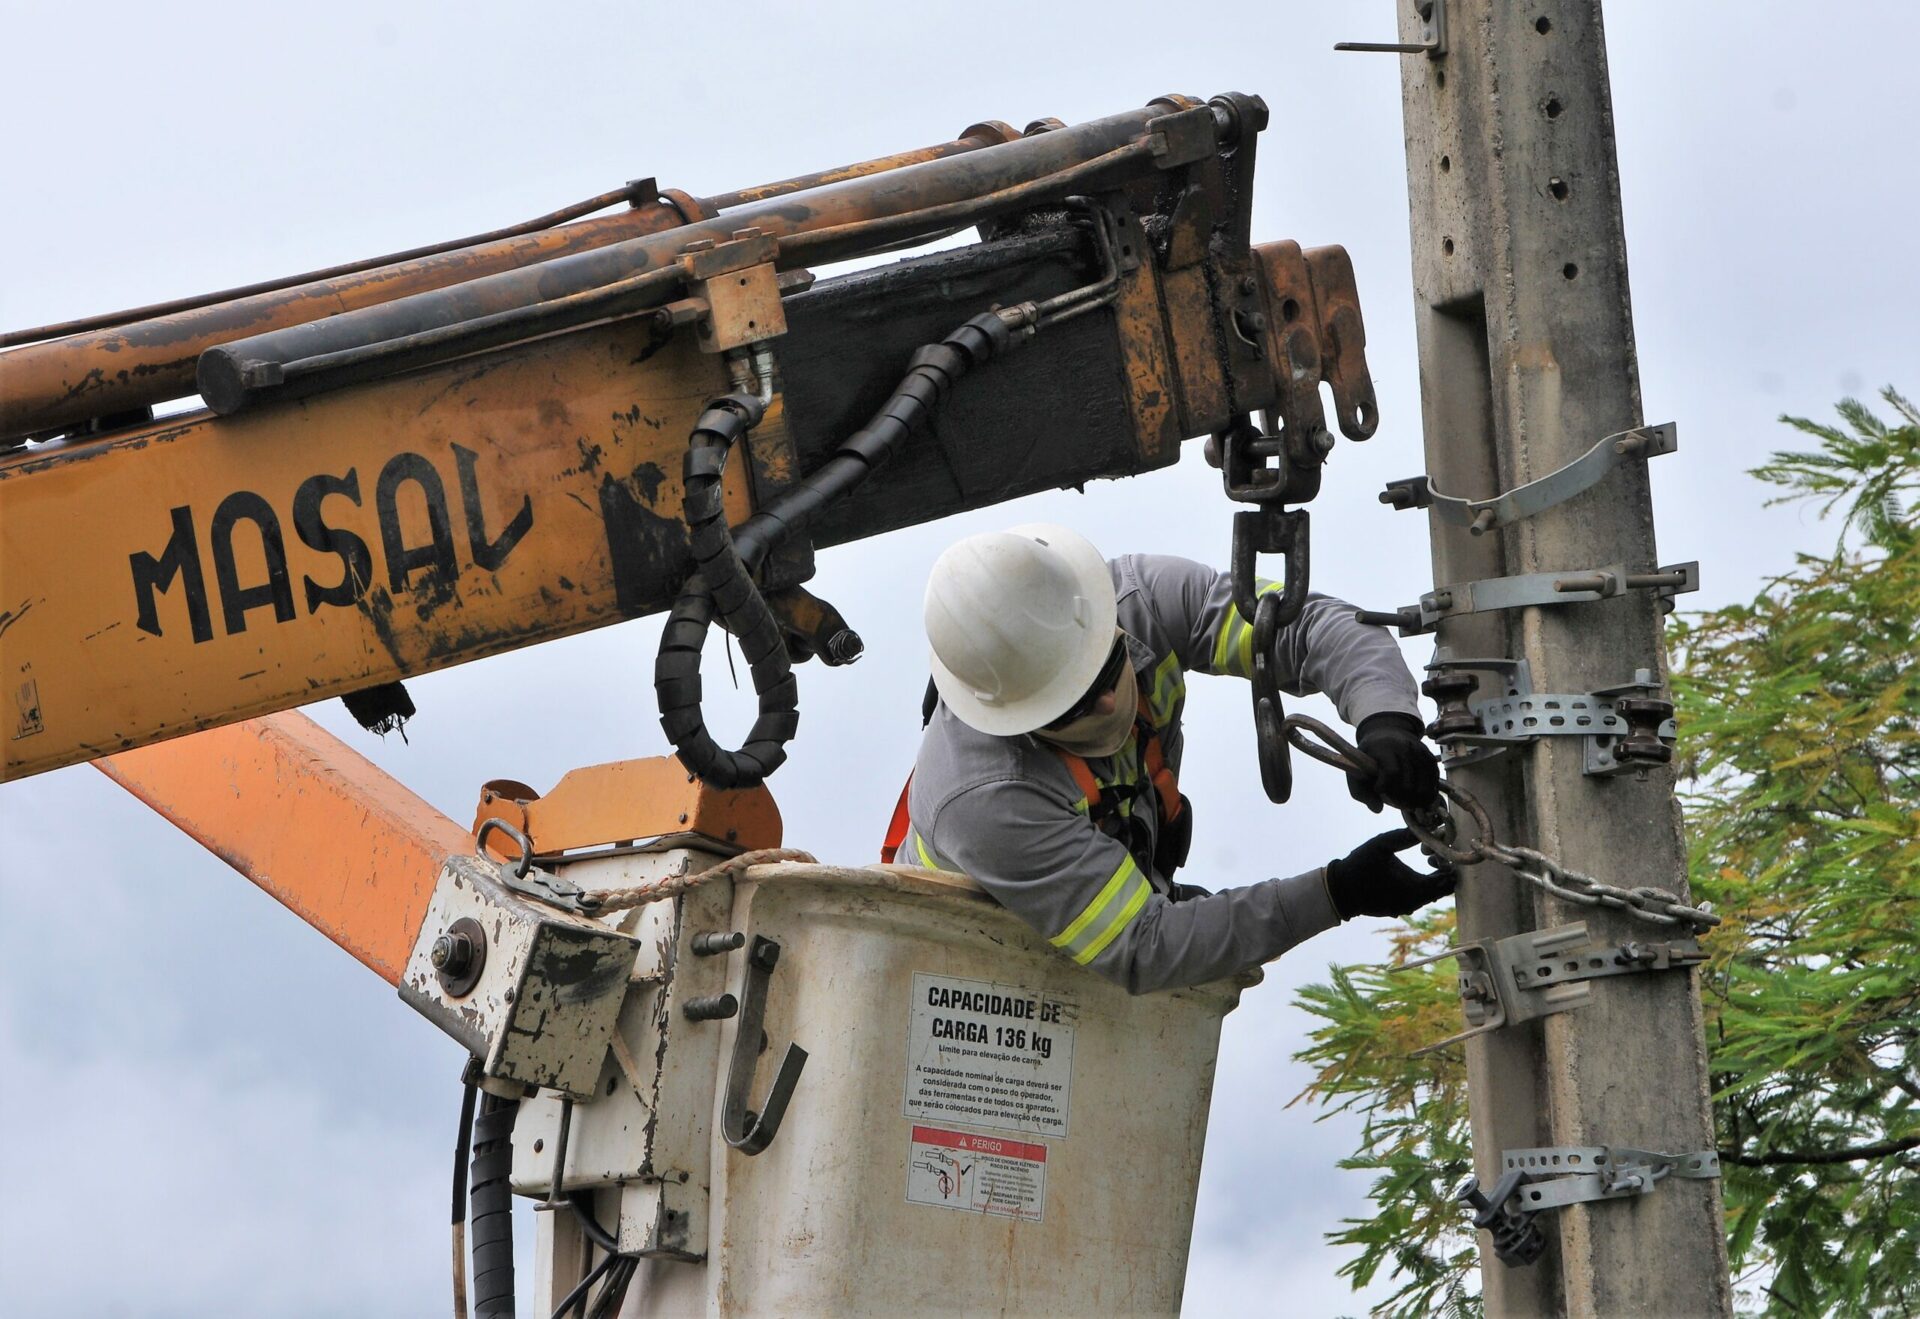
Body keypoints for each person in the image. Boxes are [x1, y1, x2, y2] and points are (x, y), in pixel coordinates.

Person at [882, 523, 1455, 994]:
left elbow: (1308, 626)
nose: (1107, 701)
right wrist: (1338, 892)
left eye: (1106, 668)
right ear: (1014, 716)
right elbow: (1145, 944)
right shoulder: (984, 796)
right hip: (961, 987)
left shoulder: (1139, 600)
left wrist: (1386, 720)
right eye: (1072, 704)